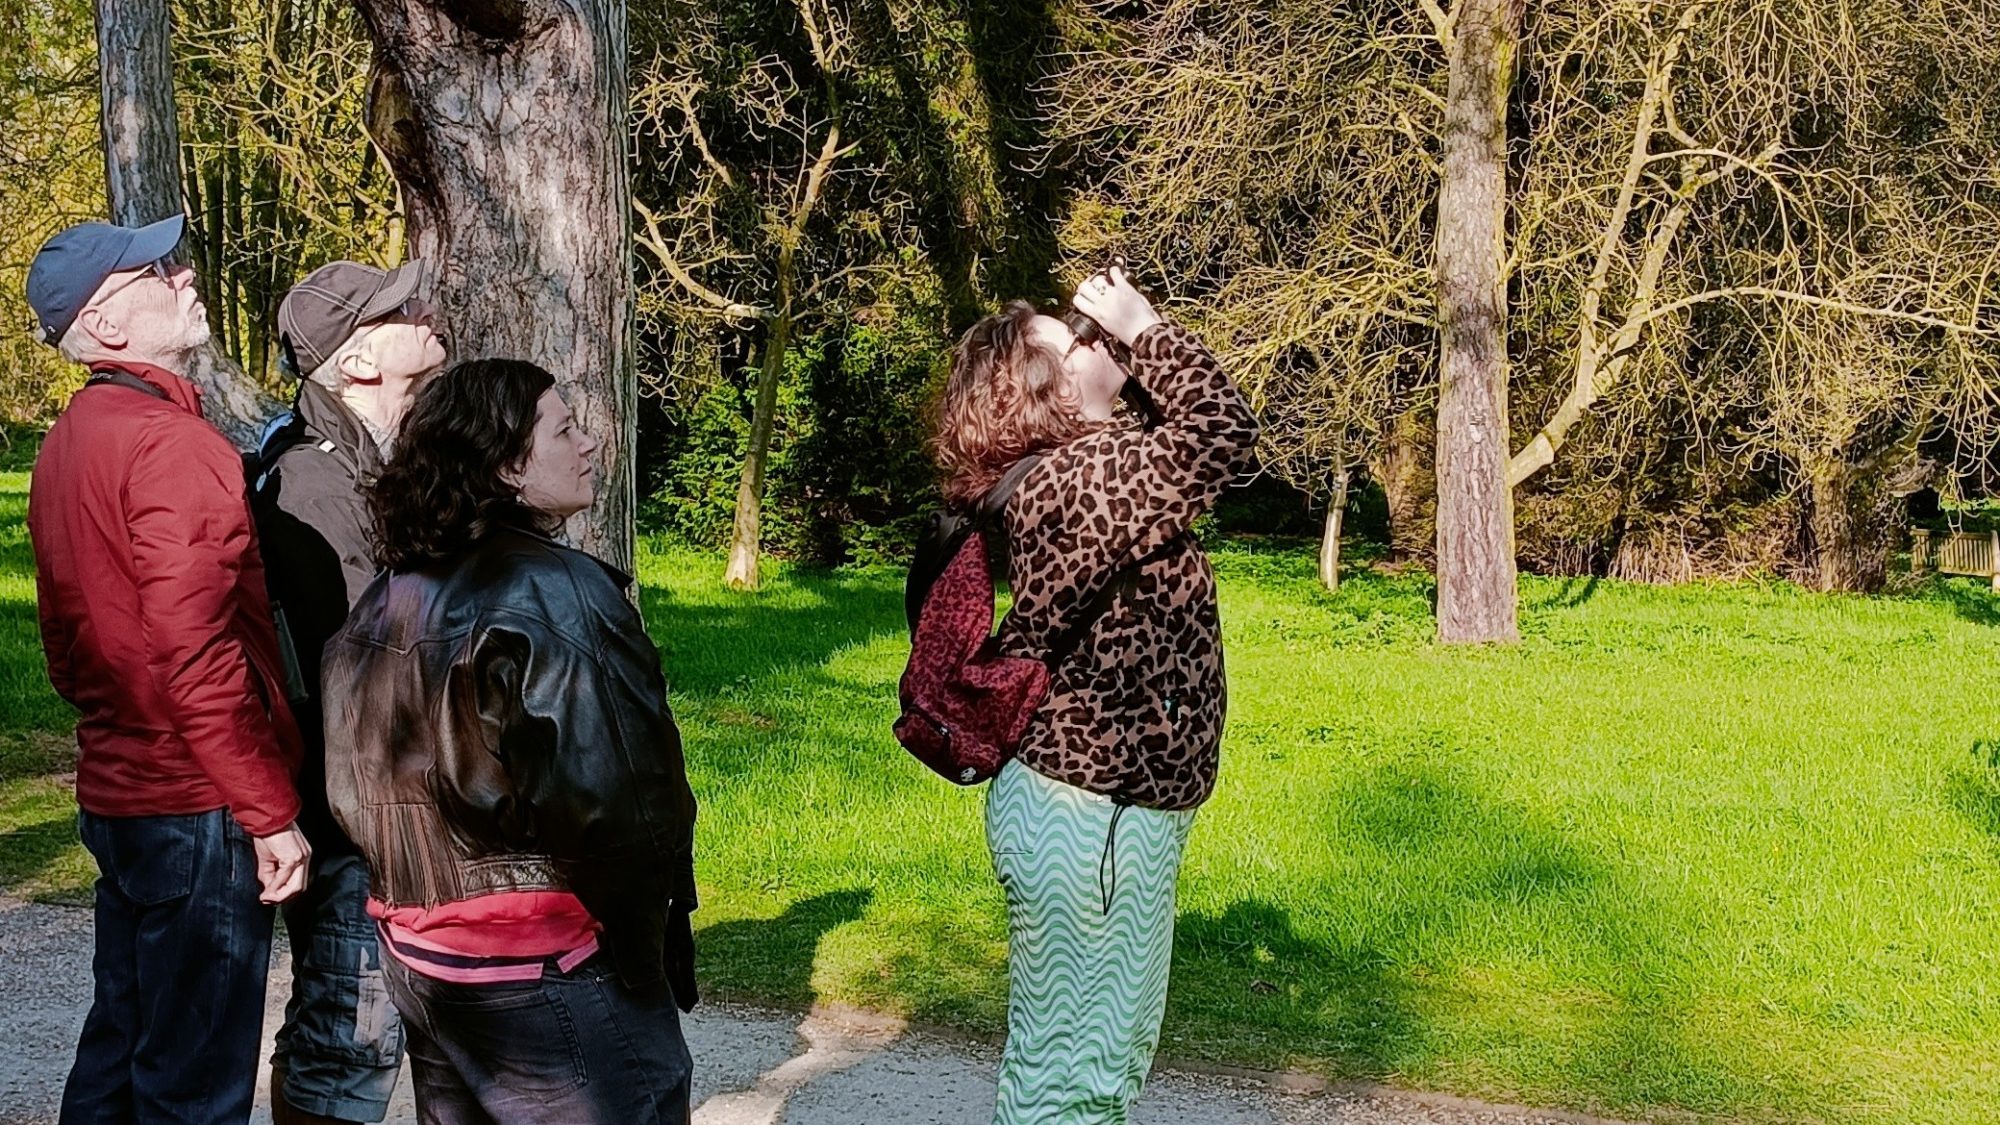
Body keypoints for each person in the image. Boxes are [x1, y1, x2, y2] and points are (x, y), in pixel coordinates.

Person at [321, 358, 700, 1123]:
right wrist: (637, 955)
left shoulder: (382, 600)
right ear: (505, 465)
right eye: (564, 429)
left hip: (426, 966)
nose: (590, 444)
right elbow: (624, 808)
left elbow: (351, 791)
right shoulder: (557, 592)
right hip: (545, 970)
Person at [932, 268, 1260, 1124]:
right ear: (1046, 390)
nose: (1096, 334)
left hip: (1100, 818)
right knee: (1069, 1089)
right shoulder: (1074, 482)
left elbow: (1180, 438)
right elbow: (1220, 435)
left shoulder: (1088, 471)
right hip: (1092, 819)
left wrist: (1133, 348)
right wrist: (1146, 328)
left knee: (1089, 1079)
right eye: (1076, 335)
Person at [23, 213, 311, 1123]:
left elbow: (68, 649)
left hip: (124, 793)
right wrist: (268, 811)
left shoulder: (68, 441)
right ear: (106, 325)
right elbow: (196, 651)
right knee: (193, 1083)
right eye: (160, 270)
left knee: (120, 1046)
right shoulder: (175, 446)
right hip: (195, 804)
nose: (187, 277)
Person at [254, 259, 447, 1125]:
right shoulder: (314, 483)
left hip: (382, 804)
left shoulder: (374, 463)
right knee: (350, 1040)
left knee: (351, 1034)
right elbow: (361, 670)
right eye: (400, 309)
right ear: (359, 361)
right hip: (357, 816)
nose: (426, 310)